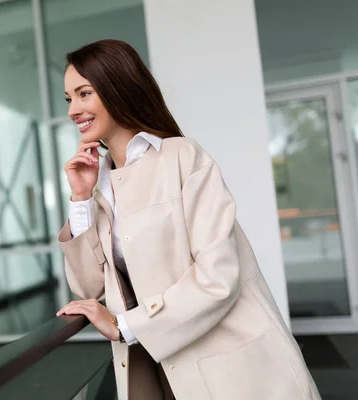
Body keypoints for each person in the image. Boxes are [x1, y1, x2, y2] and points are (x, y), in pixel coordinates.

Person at [55, 39, 321, 400]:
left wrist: (124, 326)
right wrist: (81, 198)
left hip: (235, 369)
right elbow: (89, 288)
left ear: (119, 88)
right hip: (156, 369)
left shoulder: (182, 157)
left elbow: (217, 276)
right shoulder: (98, 180)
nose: (74, 109)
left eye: (84, 93)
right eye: (69, 98)